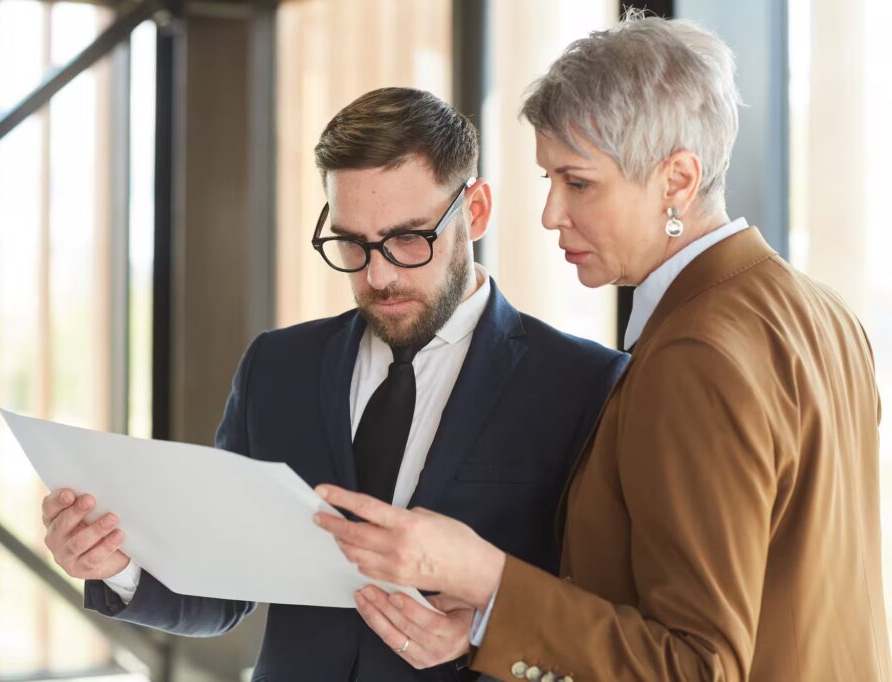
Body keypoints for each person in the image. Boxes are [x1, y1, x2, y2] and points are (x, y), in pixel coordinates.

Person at [315, 14, 892, 682]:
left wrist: (487, 577)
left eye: (579, 182)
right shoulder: (822, 312)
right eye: (548, 181)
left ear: (677, 181)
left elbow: (696, 666)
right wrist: (485, 621)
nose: (551, 214)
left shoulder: (695, 352)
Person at [39, 87, 627, 681]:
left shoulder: (584, 386)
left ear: (473, 212)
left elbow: (606, 623)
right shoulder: (277, 367)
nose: (378, 274)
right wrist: (118, 564)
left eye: (407, 239)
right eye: (351, 242)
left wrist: (481, 633)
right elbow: (224, 583)